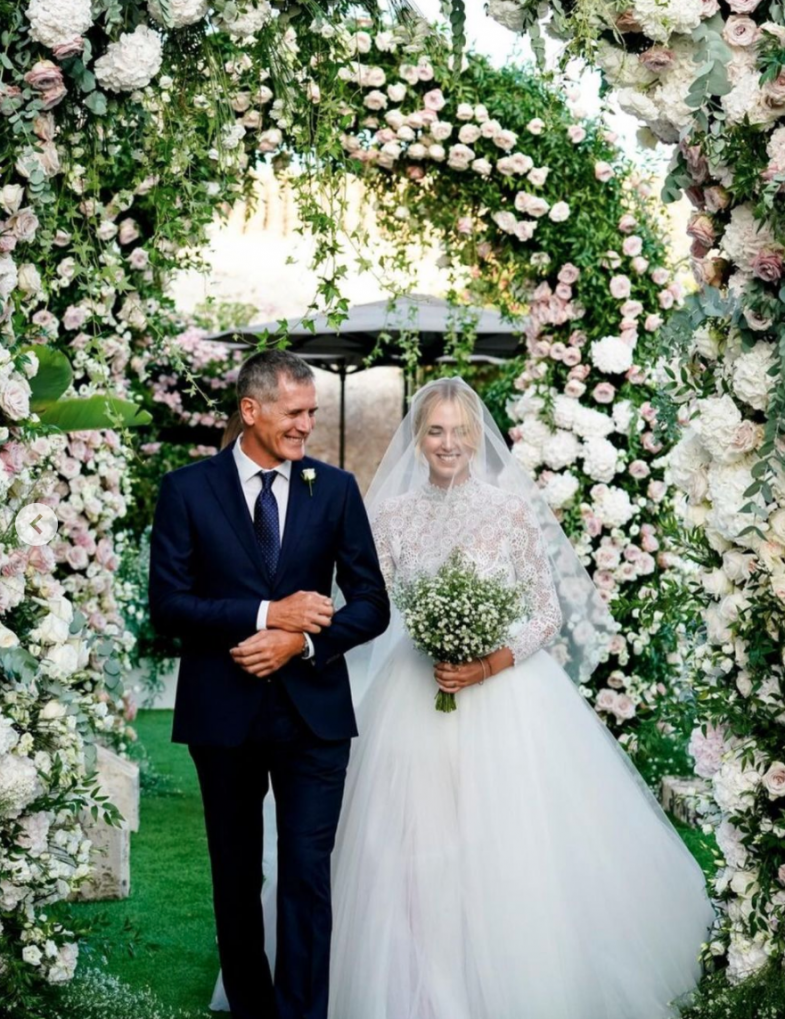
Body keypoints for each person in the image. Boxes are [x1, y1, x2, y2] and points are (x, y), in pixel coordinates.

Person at [326, 376, 714, 1019]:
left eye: (459, 430)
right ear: (418, 439)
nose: (448, 443)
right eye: (435, 431)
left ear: (478, 436)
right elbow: (374, 604)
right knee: (407, 849)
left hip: (503, 697)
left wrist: (486, 662)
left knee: (503, 842)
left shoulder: (508, 511)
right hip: (411, 695)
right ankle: (416, 982)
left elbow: (544, 612)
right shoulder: (389, 516)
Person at [148, 349, 390, 1019]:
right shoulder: (186, 490)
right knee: (235, 875)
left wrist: (303, 640)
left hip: (314, 718)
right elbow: (167, 606)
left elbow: (371, 604)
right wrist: (264, 614)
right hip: (221, 716)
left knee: (307, 876)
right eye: (294, 412)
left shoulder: (335, 489)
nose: (305, 426)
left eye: (311, 412)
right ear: (250, 410)